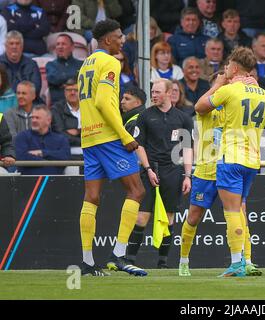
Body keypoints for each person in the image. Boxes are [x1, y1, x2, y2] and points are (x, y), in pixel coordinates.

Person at [195, 46, 265, 277]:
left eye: (227, 66)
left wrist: (219, 82)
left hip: (230, 157)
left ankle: (237, 264)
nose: (224, 69)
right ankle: (245, 260)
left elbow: (199, 107)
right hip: (253, 162)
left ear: (234, 67)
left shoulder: (230, 90)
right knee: (240, 210)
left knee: (232, 211)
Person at [77, 19, 146, 277]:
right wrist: (124, 135)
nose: (123, 39)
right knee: (137, 191)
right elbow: (105, 103)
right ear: (107, 40)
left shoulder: (85, 65)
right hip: (107, 137)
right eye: (119, 36)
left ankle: (86, 262)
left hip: (89, 139)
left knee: (91, 198)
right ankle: (118, 255)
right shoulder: (110, 62)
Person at [179, 72, 263, 277]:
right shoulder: (207, 108)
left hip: (231, 164)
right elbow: (200, 105)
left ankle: (247, 261)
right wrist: (218, 84)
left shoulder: (234, 106)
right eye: (224, 83)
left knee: (240, 213)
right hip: (207, 169)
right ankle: (183, 261)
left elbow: (254, 103)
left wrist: (253, 83)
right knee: (194, 216)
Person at [125, 79, 193, 269]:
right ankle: (129, 260)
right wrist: (147, 169)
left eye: (157, 92)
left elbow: (187, 149)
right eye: (152, 92)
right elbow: (138, 145)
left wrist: (188, 175)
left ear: (170, 93)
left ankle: (162, 262)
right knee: (141, 217)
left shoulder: (183, 118)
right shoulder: (145, 116)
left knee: (169, 218)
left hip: (173, 171)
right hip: (150, 170)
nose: (153, 95)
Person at [15, 104, 70, 175]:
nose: (34, 120)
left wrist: (42, 153)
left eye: (37, 118)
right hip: (27, 181)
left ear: (48, 120)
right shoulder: (22, 136)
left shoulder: (61, 139)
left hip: (55, 181)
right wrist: (51, 161)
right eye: (32, 117)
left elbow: (65, 157)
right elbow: (22, 158)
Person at [51, 78, 83, 175]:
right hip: (68, 153)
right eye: (69, 90)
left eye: (76, 90)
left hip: (90, 153)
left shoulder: (89, 107)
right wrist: (84, 136)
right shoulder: (56, 109)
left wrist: (77, 132)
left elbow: (96, 131)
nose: (72, 93)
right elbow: (60, 135)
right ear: (64, 92)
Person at [46, 34, 84, 105]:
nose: (60, 47)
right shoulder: (51, 65)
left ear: (72, 47)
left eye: (63, 44)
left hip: (80, 105)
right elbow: (54, 79)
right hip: (58, 106)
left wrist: (64, 83)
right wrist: (74, 79)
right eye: (58, 44)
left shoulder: (81, 64)